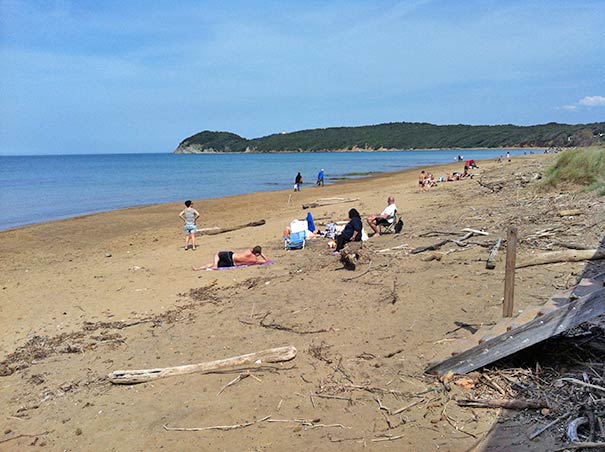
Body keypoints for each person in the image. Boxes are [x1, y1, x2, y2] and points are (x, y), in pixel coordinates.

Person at [192, 246, 269, 270]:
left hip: (231, 256)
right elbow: (267, 261)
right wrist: (261, 254)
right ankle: (198, 268)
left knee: (217, 254)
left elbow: (251, 249)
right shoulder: (254, 260)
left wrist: (256, 251)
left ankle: (213, 265)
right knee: (213, 263)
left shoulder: (248, 252)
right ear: (258, 253)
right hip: (232, 264)